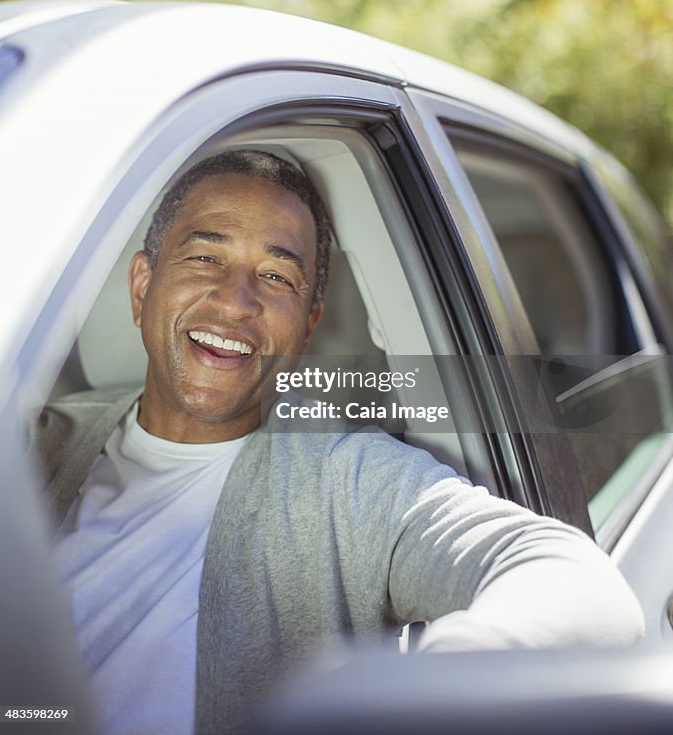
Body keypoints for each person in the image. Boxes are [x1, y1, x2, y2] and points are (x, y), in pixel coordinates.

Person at [36, 150, 644, 735]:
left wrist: (430, 690)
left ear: (307, 324)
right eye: (204, 259)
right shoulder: (32, 444)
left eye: (276, 276)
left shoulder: (349, 477)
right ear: (142, 286)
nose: (235, 301)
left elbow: (578, 585)